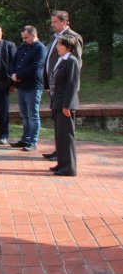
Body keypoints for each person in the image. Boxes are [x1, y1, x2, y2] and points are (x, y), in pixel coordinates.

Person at [42, 11, 83, 162]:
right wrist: (49, 83)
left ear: (64, 22)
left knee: (64, 126)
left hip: (64, 90)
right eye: (52, 22)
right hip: (55, 87)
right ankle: (59, 152)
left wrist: (69, 97)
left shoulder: (72, 37)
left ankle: (64, 156)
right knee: (58, 124)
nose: (52, 24)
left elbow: (75, 64)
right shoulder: (55, 38)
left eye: (55, 22)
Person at [9, 26, 46, 151]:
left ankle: (32, 141)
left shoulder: (40, 48)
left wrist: (19, 75)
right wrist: (13, 74)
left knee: (32, 115)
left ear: (33, 35)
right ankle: (25, 139)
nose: (24, 40)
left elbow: (36, 66)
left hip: (33, 86)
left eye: (26, 37)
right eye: (23, 38)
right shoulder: (22, 46)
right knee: (24, 114)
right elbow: (14, 62)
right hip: (21, 86)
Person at [49, 35, 81, 177]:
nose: (56, 47)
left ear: (67, 46)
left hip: (64, 104)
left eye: (59, 45)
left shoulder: (72, 61)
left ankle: (68, 168)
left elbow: (72, 85)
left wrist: (67, 105)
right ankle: (61, 164)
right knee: (60, 136)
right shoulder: (61, 60)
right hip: (57, 102)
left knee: (66, 136)